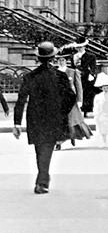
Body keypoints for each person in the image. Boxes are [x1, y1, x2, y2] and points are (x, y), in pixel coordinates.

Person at [12, 42, 76, 194]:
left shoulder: (30, 77)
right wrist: (62, 112)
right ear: (53, 57)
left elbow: (21, 100)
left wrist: (17, 123)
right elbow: (71, 97)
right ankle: (42, 182)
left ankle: (42, 179)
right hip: (53, 118)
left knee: (40, 150)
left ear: (38, 58)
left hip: (35, 118)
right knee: (47, 149)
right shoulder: (60, 76)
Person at [58, 47, 91, 146]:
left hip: (71, 99)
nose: (61, 62)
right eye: (59, 60)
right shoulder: (55, 72)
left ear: (66, 61)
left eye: (63, 60)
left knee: (73, 120)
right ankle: (59, 141)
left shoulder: (72, 71)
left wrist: (79, 100)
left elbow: (78, 86)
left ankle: (73, 136)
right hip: (59, 99)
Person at [74, 37, 99, 116]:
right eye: (78, 47)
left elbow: (93, 67)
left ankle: (88, 110)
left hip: (87, 77)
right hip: (77, 77)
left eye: (81, 47)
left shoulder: (91, 56)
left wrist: (92, 74)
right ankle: (80, 110)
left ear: (84, 47)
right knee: (78, 93)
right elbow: (73, 67)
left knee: (88, 93)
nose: (79, 49)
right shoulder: (74, 56)